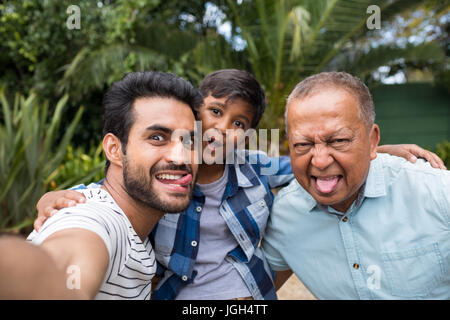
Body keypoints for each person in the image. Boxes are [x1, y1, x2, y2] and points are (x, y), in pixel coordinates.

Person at [33, 70, 445, 300]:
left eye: (239, 124)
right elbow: (109, 202)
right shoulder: (166, 185)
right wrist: (61, 198)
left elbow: (308, 162)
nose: (221, 130)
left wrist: (377, 150)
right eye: (213, 112)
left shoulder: (253, 169)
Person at [0, 71, 202, 299]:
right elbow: (68, 262)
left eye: (189, 140)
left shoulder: (139, 232)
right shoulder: (97, 220)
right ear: (115, 150)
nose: (181, 156)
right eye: (157, 137)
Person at [261, 71, 450, 299]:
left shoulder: (437, 193)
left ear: (372, 140)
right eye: (303, 144)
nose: (320, 161)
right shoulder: (285, 215)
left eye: (339, 141)